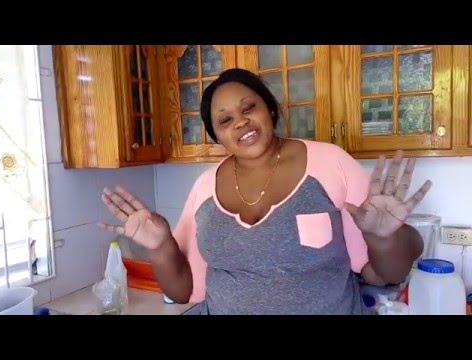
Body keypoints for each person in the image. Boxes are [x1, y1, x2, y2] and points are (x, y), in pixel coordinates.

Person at [99, 68, 431, 315]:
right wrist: (160, 247)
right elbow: (182, 291)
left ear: (269, 109)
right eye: (225, 120)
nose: (240, 123)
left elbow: (388, 272)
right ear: (217, 136)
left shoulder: (330, 163)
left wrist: (386, 238)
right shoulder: (205, 188)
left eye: (248, 108)